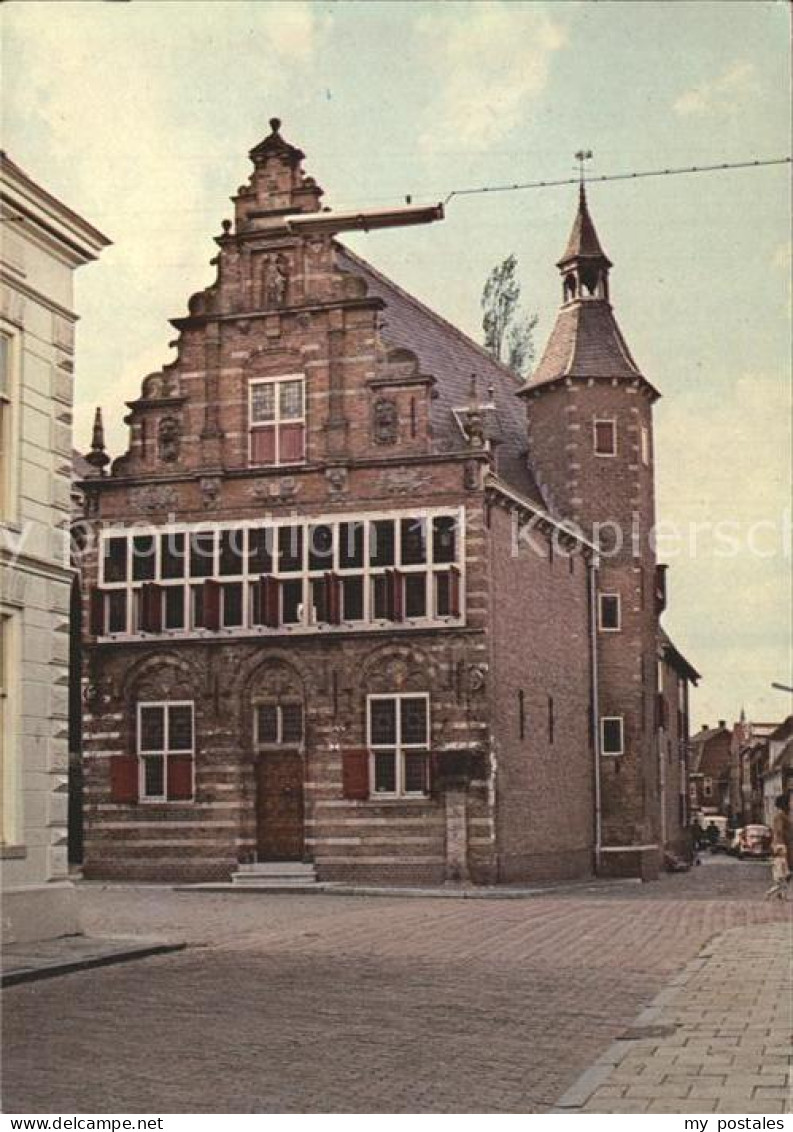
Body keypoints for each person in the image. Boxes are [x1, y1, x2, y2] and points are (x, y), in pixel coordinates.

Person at [765, 794, 791, 901]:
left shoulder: (784, 815)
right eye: (789, 801)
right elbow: (779, 831)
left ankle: (781, 893)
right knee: (784, 872)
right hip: (783, 846)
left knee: (785, 873)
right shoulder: (780, 816)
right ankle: (773, 893)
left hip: (784, 845)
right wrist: (781, 846)